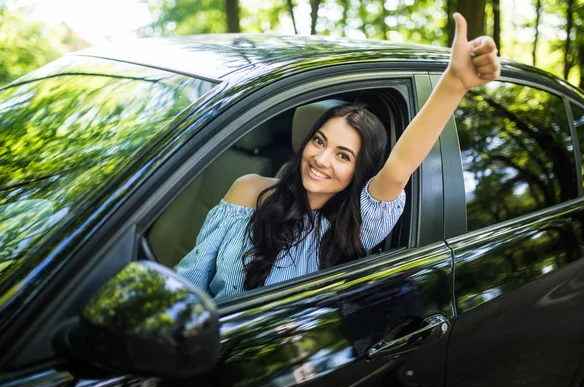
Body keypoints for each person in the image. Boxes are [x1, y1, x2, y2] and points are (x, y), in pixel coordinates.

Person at [177, 13, 501, 300]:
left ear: (359, 171)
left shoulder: (354, 226)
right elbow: (190, 277)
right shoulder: (250, 190)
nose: (321, 159)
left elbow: (401, 166)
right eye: (319, 141)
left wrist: (454, 85)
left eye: (343, 156)